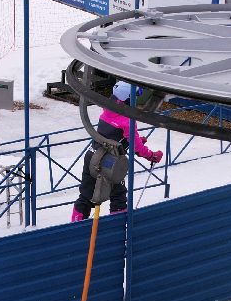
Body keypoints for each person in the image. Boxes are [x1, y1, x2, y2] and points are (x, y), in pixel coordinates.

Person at [70, 81, 163, 221]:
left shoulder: (106, 111)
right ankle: (118, 228)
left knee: (86, 195)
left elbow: (111, 136)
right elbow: (137, 148)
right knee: (118, 195)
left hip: (92, 155)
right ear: (128, 99)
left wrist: (129, 141)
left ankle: (75, 225)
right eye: (135, 97)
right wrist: (151, 156)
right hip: (109, 163)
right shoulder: (127, 120)